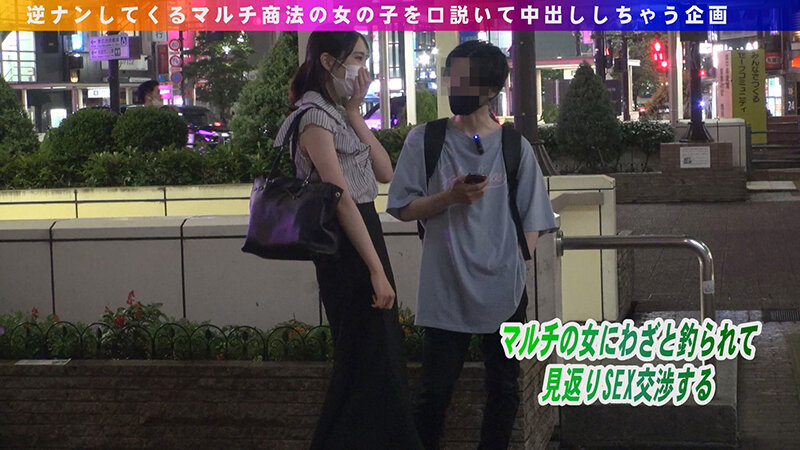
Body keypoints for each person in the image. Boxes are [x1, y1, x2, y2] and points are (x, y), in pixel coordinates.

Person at [386, 40, 557, 450]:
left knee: (504, 389)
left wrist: (514, 260)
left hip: (505, 289)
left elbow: (535, 217)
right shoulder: (425, 140)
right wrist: (450, 197)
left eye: (464, 78)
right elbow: (403, 207)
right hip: (444, 287)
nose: (454, 85)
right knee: (432, 395)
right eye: (452, 76)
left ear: (492, 89)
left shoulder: (514, 146)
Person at [273, 31, 423, 449]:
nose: (363, 69)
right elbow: (339, 198)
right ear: (328, 61)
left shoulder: (338, 113)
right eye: (356, 58)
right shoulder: (313, 117)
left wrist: (356, 111)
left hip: (363, 233)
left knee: (378, 352)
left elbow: (386, 172)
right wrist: (375, 270)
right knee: (367, 355)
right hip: (346, 244)